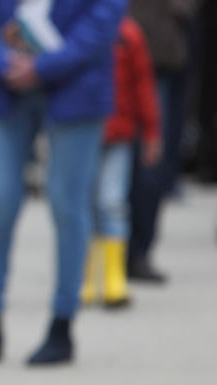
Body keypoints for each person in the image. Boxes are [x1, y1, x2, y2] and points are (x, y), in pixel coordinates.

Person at [0, 0, 127, 366]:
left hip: (79, 81)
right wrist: (3, 61)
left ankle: (62, 325)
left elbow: (106, 13)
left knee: (69, 205)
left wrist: (47, 66)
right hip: (3, 83)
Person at [81, 16, 161, 309]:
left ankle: (114, 278)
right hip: (81, 132)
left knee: (111, 201)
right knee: (83, 203)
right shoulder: (75, 28)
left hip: (119, 135)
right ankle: (86, 276)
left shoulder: (128, 34)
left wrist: (151, 131)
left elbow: (143, 85)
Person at [126, 0, 200, 283]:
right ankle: (106, 255)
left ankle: (138, 251)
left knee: (151, 160)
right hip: (118, 48)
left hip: (162, 49)